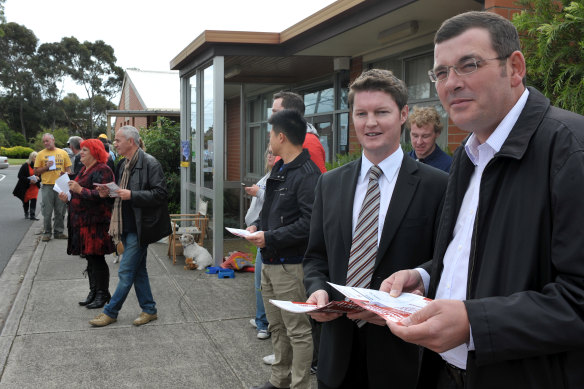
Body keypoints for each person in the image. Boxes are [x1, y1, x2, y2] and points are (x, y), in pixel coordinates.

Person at [383, 11, 584, 389]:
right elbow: (475, 253)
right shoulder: (468, 155)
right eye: (441, 73)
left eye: (469, 65)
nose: (452, 84)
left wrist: (474, 323)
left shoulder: (570, 151)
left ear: (515, 67)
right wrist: (426, 277)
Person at [302, 69, 447, 389]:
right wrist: (315, 290)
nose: (370, 123)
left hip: (402, 354)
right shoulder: (330, 184)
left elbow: (446, 262)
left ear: (403, 115)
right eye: (361, 113)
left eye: (381, 112)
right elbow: (315, 257)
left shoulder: (437, 185)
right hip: (336, 352)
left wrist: (412, 290)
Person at [246, 109, 321, 389]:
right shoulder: (279, 168)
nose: (269, 140)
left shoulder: (307, 174)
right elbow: (272, 211)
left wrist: (271, 237)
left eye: (270, 134)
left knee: (298, 331)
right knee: (277, 326)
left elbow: (310, 223)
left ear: (281, 136)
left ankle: (299, 385)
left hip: (291, 266)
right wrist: (256, 226)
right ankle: (279, 381)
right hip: (270, 260)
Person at [89, 125, 172, 327]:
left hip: (140, 227)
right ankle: (149, 309)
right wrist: (107, 194)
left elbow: (161, 194)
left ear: (131, 142)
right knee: (138, 271)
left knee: (126, 272)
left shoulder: (150, 163)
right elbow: (119, 195)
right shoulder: (122, 164)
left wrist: (132, 195)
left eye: (117, 140)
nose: (114, 144)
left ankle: (111, 311)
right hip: (125, 224)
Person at [58, 139, 115, 309]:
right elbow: (79, 195)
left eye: (85, 150)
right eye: (81, 150)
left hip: (95, 223)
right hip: (82, 222)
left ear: (95, 152)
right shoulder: (84, 169)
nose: (80, 153)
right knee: (89, 258)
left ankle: (103, 293)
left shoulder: (103, 170)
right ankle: (94, 291)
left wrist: (79, 190)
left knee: (97, 258)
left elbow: (103, 195)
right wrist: (68, 198)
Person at [245, 145, 276, 341]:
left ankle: (264, 323)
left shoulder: (283, 176)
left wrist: (258, 192)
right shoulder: (269, 175)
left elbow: (276, 202)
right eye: (269, 153)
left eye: (274, 152)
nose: (270, 156)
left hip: (270, 237)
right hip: (259, 232)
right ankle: (261, 319)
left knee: (263, 283)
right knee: (260, 282)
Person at [272, 91, 327, 173]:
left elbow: (317, 182)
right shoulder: (285, 138)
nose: (272, 117)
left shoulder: (308, 141)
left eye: (275, 112)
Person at [34, 133, 72, 242]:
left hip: (61, 185)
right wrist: (46, 167)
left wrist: (65, 173)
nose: (46, 143)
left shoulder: (63, 153)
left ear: (53, 140)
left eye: (47, 140)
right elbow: (36, 171)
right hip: (47, 185)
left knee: (60, 210)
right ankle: (47, 233)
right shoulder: (41, 154)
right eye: (44, 141)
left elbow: (69, 170)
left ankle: (59, 232)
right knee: (47, 210)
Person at [407, 106, 452, 172]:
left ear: (437, 133)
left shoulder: (450, 166)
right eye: (415, 136)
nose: (419, 142)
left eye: (425, 136)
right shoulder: (401, 162)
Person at [13, 151, 41, 220]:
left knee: (34, 200)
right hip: (26, 187)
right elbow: (20, 176)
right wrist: (29, 180)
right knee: (25, 201)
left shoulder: (39, 166)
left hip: (34, 187)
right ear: (31, 158)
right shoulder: (25, 165)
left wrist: (38, 179)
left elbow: (42, 177)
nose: (36, 158)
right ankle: (26, 212)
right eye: (35, 157)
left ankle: (32, 215)